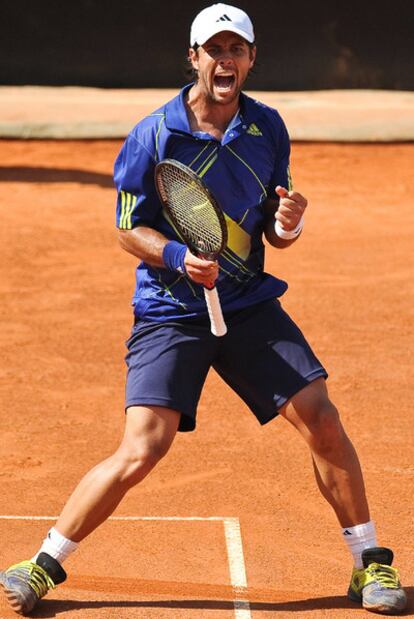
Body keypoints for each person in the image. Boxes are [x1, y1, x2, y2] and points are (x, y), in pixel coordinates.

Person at [0, 3, 407, 616]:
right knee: (144, 444)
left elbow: (273, 231)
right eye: (213, 50)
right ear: (194, 58)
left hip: (246, 305)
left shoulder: (267, 127)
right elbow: (127, 229)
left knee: (321, 418)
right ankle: (42, 564)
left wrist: (288, 225)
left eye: (235, 49)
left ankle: (369, 563)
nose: (225, 60)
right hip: (171, 308)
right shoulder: (155, 132)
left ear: (249, 59)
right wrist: (173, 255)